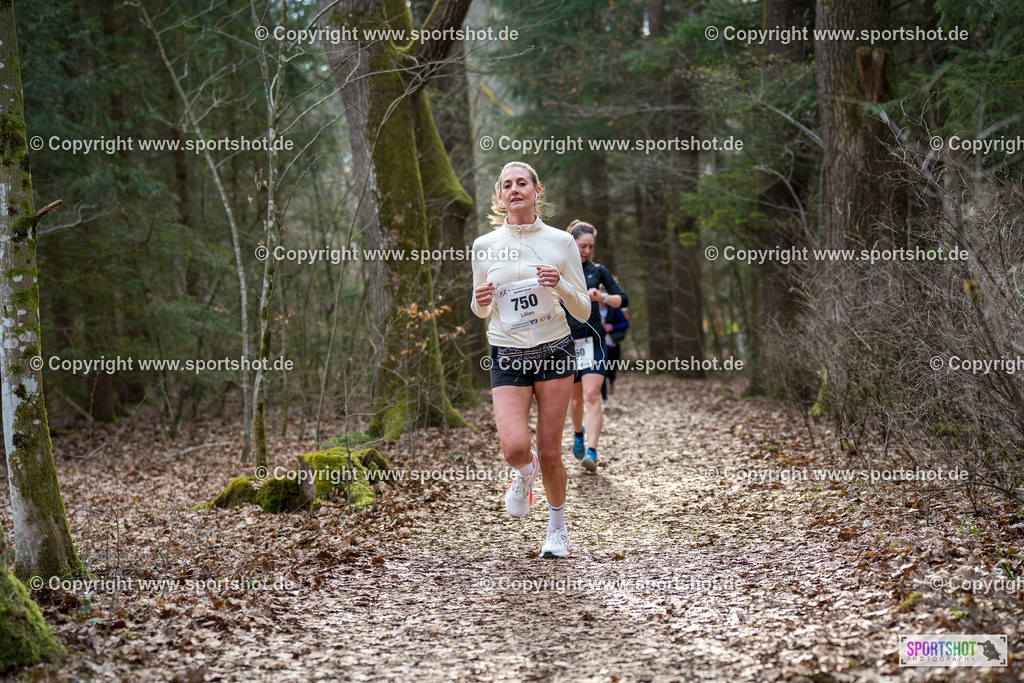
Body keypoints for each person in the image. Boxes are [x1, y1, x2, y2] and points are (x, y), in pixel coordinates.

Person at [471, 161, 591, 558]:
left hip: (554, 349)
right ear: (499, 196)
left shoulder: (561, 242)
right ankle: (525, 471)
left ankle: (557, 529)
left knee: (552, 450)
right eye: (507, 184)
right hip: (507, 353)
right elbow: (479, 307)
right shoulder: (484, 246)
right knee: (514, 448)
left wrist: (559, 285)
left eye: (522, 183)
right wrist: (479, 301)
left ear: (537, 191)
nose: (515, 189)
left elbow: (584, 310)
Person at [563, 220, 628, 472]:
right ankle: (578, 432)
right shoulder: (558, 270)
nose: (587, 251)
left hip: (593, 341)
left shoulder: (598, 271)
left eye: (590, 246)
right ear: (571, 243)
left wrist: (602, 297)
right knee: (576, 401)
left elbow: (623, 299)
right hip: (566, 343)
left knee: (591, 396)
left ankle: (592, 450)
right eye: (582, 246)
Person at [599, 295, 629, 404]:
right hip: (598, 346)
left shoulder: (614, 309)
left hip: (612, 345)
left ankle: (611, 382)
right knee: (601, 372)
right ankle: (604, 400)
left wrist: (612, 327)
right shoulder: (590, 309)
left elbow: (626, 324)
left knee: (611, 371)